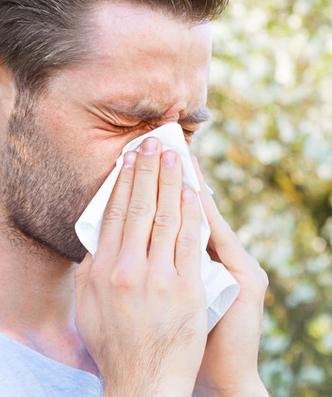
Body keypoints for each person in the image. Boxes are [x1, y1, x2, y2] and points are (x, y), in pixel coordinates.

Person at [0, 0, 269, 395]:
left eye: (187, 131)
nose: (164, 158)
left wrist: (231, 384)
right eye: (123, 122)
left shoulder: (179, 328)